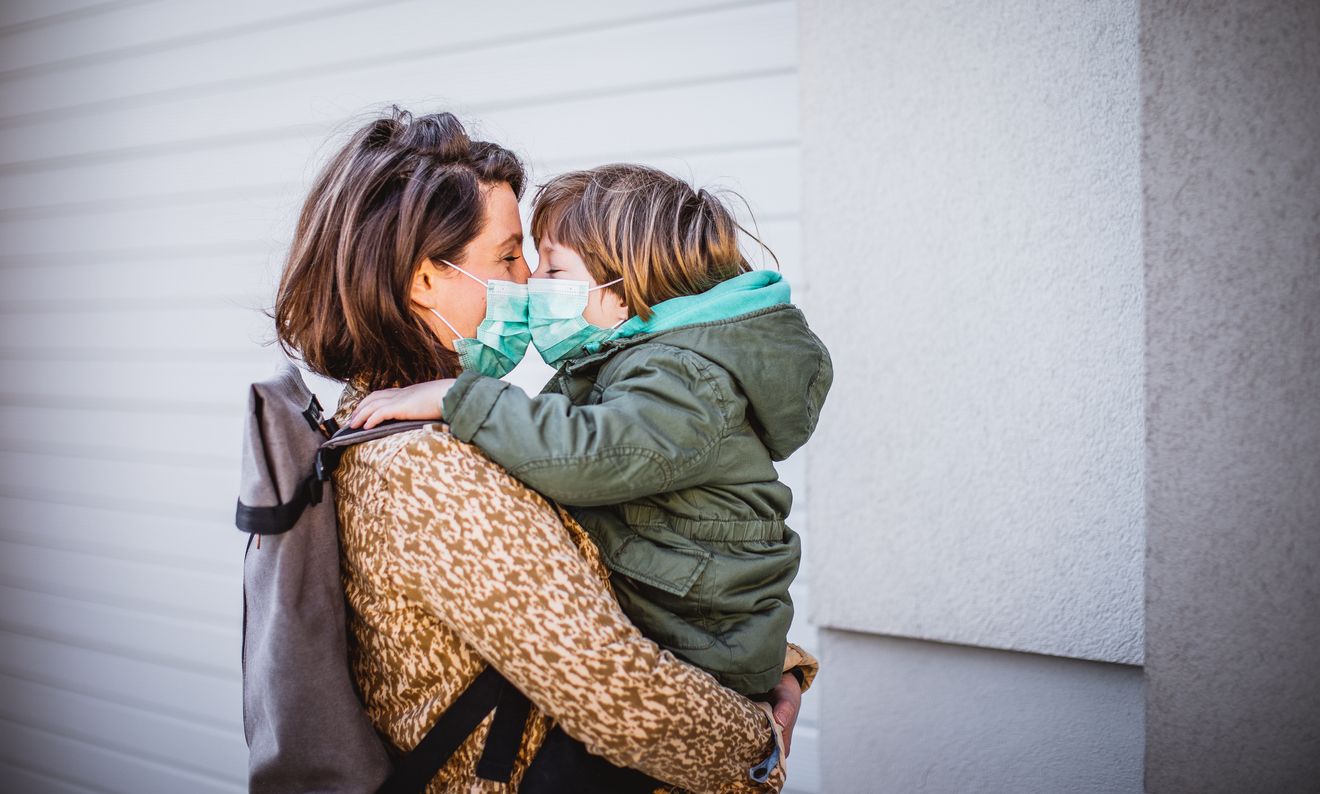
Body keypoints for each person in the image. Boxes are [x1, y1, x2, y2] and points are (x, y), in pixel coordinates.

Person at [274, 106, 813, 792]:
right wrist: (760, 745)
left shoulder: (410, 420)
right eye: (506, 256)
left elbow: (609, 566)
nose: (529, 279)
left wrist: (772, 656)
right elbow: (617, 690)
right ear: (422, 280)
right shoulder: (428, 472)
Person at [349, 164, 832, 698]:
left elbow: (586, 455)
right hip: (682, 624)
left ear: (623, 292)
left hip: (705, 646)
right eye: (515, 258)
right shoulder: (631, 366)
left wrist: (459, 398)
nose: (529, 281)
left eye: (551, 270)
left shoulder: (681, 377)